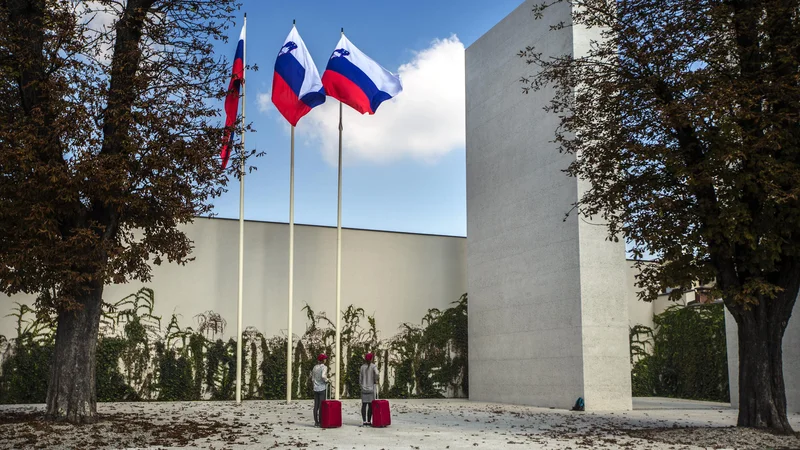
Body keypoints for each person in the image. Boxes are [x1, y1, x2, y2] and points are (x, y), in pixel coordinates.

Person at [359, 352, 380, 426]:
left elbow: (360, 378)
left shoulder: (362, 367)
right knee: (370, 405)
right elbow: (377, 373)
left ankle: (364, 421)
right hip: (371, 388)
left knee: (364, 405)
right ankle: (369, 421)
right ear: (371, 359)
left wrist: (361, 385)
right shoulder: (373, 366)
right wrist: (375, 380)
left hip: (364, 388)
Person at [311, 353, 329, 427]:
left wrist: (314, 384)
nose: (325, 360)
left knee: (316, 405)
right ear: (323, 360)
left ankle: (316, 422)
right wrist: (327, 380)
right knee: (321, 406)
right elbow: (323, 376)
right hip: (322, 388)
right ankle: (321, 421)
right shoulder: (324, 367)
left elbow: (312, 377)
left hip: (315, 388)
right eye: (325, 359)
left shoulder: (315, 367)